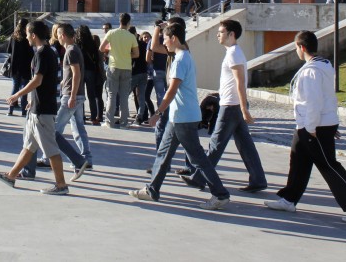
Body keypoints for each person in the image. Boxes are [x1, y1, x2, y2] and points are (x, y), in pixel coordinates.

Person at [265, 31, 346, 222]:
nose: (296, 51)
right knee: (298, 160)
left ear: (302, 47)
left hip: (313, 126)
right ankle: (289, 199)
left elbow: (314, 102)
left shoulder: (311, 71)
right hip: (311, 124)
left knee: (328, 164)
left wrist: (312, 128)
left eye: (296, 47)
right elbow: (327, 97)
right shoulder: (322, 65)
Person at [128, 21, 231, 211]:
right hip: (178, 117)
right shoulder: (183, 56)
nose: (164, 43)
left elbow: (171, 91)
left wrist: (158, 113)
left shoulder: (181, 60)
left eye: (165, 39)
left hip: (183, 117)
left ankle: (221, 194)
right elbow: (156, 51)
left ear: (174, 38)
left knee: (198, 158)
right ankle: (152, 190)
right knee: (163, 153)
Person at [0, 20, 77, 196]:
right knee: (29, 146)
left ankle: (61, 185)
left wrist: (17, 95)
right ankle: (11, 176)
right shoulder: (48, 52)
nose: (27, 37)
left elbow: (37, 80)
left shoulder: (42, 54)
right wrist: (31, 99)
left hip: (43, 109)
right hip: (38, 106)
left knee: (51, 149)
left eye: (28, 34)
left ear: (34, 35)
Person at [180, 19, 268, 193]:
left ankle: (199, 178)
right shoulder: (233, 52)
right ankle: (258, 179)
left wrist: (243, 108)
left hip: (231, 105)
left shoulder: (234, 53)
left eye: (220, 32)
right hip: (230, 103)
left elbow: (240, 82)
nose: (218, 35)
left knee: (216, 143)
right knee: (245, 144)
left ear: (231, 34)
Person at [24, 23, 93, 176]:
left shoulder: (70, 51)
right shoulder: (72, 50)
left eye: (59, 34)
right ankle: (84, 158)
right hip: (73, 94)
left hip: (71, 96)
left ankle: (78, 161)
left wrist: (72, 95)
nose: (57, 38)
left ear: (63, 35)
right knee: (77, 128)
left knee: (53, 130)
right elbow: (71, 75)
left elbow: (76, 74)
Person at [99, 12, 138, 128]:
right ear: (129, 23)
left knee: (111, 95)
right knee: (124, 96)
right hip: (126, 67)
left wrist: (111, 51)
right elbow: (136, 54)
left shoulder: (111, 33)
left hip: (113, 66)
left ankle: (109, 122)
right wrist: (126, 55)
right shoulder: (131, 36)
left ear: (119, 21)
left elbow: (101, 48)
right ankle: (124, 122)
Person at [78, 24, 105, 125]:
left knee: (80, 95)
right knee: (91, 96)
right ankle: (94, 117)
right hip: (91, 70)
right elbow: (97, 58)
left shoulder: (78, 44)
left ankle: (82, 116)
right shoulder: (93, 43)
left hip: (80, 70)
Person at [7, 17, 33, 116]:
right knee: (24, 88)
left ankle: (10, 109)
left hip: (15, 65)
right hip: (25, 65)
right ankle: (23, 110)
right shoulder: (27, 37)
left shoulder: (13, 36)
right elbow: (31, 53)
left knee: (15, 87)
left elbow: (9, 50)